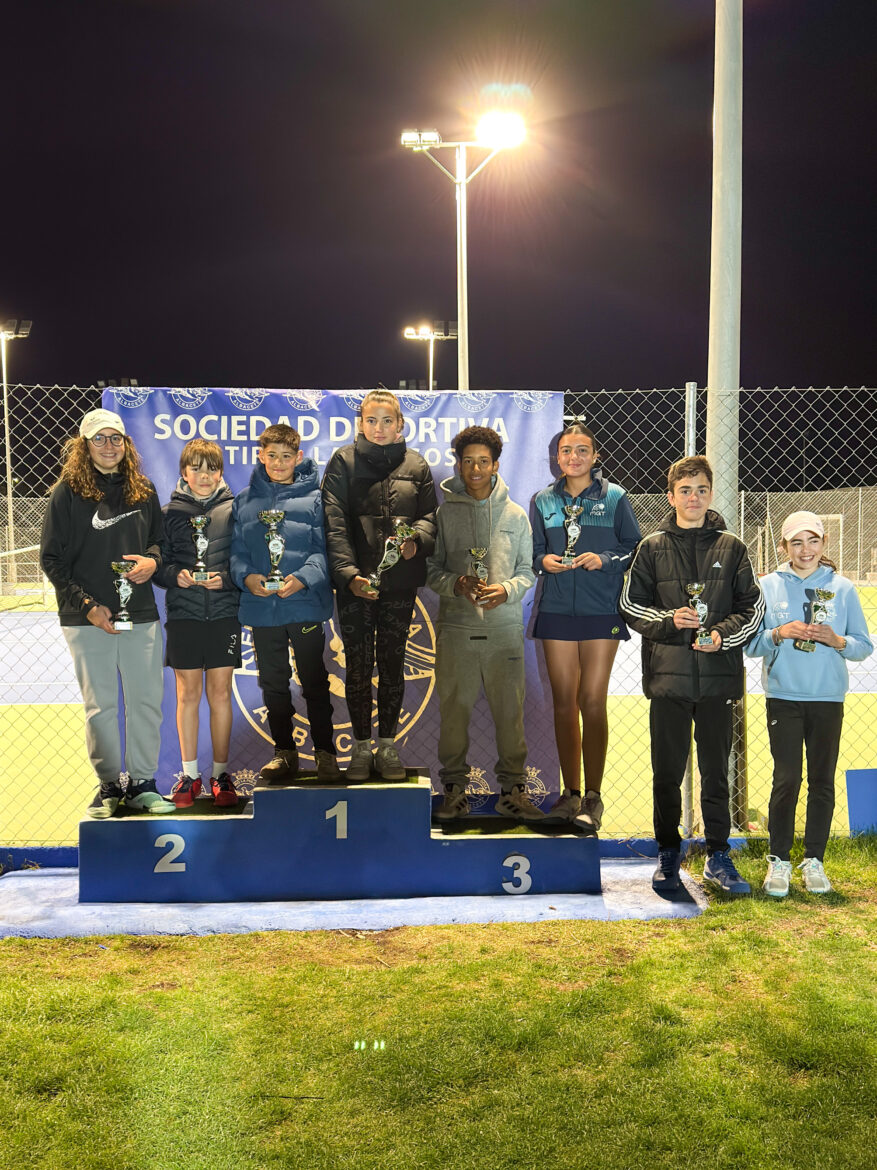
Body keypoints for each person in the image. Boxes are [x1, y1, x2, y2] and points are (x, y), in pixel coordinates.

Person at [619, 455, 764, 893]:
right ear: (671, 496)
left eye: (701, 489)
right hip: (668, 681)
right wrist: (670, 621)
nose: (693, 497)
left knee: (716, 770)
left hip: (718, 681)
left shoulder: (733, 547)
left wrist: (720, 636)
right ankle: (668, 851)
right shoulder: (652, 547)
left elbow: (751, 610)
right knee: (666, 771)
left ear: (710, 494)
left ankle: (719, 854)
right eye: (685, 490)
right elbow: (630, 605)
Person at [39, 408, 175, 817]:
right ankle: (109, 786)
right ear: (84, 446)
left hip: (142, 614)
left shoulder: (143, 489)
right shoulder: (67, 492)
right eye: (100, 439)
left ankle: (143, 784)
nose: (109, 446)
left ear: (126, 444)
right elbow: (52, 560)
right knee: (100, 706)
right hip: (86, 618)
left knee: (147, 701)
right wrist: (88, 606)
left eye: (116, 438)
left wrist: (153, 562)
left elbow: (160, 544)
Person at [747, 511, 873, 896]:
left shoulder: (843, 588)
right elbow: (752, 645)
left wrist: (838, 641)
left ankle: (814, 861)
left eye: (813, 541)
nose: (806, 550)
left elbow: (863, 645)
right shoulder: (767, 586)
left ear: (824, 544)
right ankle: (779, 861)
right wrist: (778, 633)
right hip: (784, 697)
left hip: (827, 698)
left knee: (822, 781)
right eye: (796, 542)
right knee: (786, 779)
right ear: (783, 547)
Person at [322, 390, 437, 781]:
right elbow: (333, 524)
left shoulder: (417, 465)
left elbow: (430, 518)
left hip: (400, 585)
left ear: (400, 424)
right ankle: (360, 748)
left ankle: (387, 747)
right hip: (354, 586)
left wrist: (416, 541)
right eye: (372, 420)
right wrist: (349, 575)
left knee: (391, 664)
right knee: (357, 666)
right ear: (361, 423)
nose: (380, 428)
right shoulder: (343, 461)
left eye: (388, 420)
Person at [427, 425, 541, 821]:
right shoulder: (444, 513)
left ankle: (514, 792)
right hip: (457, 630)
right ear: (458, 465)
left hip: (504, 632)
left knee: (510, 716)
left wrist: (507, 590)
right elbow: (430, 570)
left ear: (495, 465)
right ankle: (454, 792)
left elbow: (528, 571)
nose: (475, 469)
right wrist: (456, 583)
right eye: (468, 461)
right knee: (453, 713)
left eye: (483, 461)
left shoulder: (516, 515)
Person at [532, 423, 641, 830]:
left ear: (595, 456)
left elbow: (634, 548)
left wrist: (605, 560)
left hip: (601, 612)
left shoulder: (614, 497)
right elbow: (536, 551)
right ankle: (570, 793)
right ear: (556, 457)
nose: (573, 456)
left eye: (582, 450)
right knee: (564, 702)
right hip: (557, 610)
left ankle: (593, 797)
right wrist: (543, 561)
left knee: (591, 701)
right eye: (566, 450)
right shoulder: (544, 500)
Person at [230, 423, 340, 783]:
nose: (278, 463)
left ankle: (325, 753)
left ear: (299, 457)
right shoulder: (244, 501)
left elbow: (326, 551)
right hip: (263, 610)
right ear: (260, 456)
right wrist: (246, 577)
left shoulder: (316, 499)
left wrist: (303, 578)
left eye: (286, 456)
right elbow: (236, 554)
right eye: (271, 455)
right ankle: (284, 754)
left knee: (314, 681)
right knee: (273, 683)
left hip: (304, 605)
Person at [154, 439, 241, 809]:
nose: (204, 476)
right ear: (184, 472)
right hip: (185, 616)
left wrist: (229, 578)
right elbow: (159, 565)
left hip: (224, 614)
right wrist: (178, 576)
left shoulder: (237, 510)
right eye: (197, 468)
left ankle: (221, 774)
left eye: (211, 468)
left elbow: (247, 560)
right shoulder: (168, 512)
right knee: (187, 695)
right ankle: (189, 776)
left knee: (220, 695)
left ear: (220, 472)